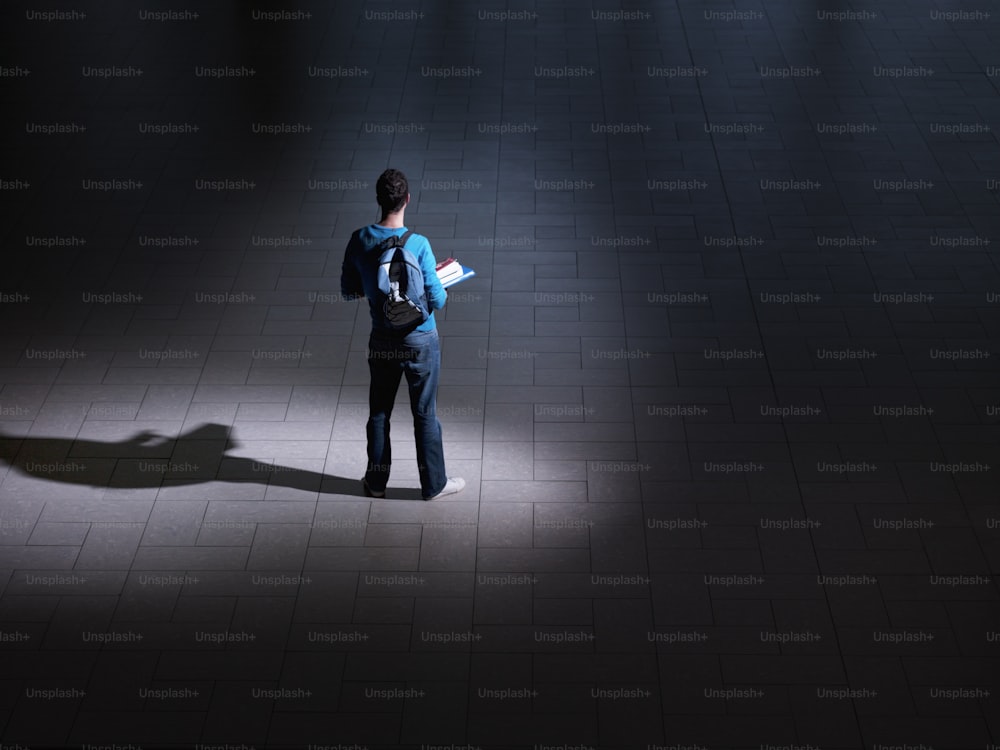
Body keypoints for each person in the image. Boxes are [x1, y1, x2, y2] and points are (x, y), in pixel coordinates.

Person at [340, 168, 466, 501]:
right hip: (421, 340)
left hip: (382, 339)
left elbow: (349, 291)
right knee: (424, 413)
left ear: (379, 201)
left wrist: (379, 286)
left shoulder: (360, 239)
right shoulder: (420, 244)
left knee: (379, 411)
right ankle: (433, 485)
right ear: (407, 199)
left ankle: (376, 483)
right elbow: (437, 300)